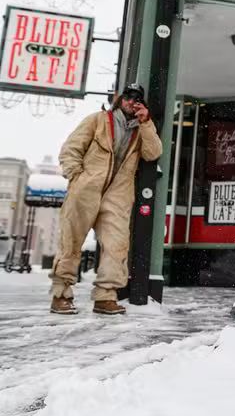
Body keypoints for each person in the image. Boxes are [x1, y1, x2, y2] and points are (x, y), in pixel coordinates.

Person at [49, 83, 162, 315]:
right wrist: (77, 178)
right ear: (120, 100)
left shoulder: (142, 130)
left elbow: (154, 152)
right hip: (86, 190)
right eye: (129, 97)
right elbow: (71, 149)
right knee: (70, 242)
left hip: (118, 196)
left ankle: (105, 297)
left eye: (138, 99)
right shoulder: (98, 120)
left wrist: (146, 122)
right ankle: (61, 294)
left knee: (116, 246)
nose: (133, 102)